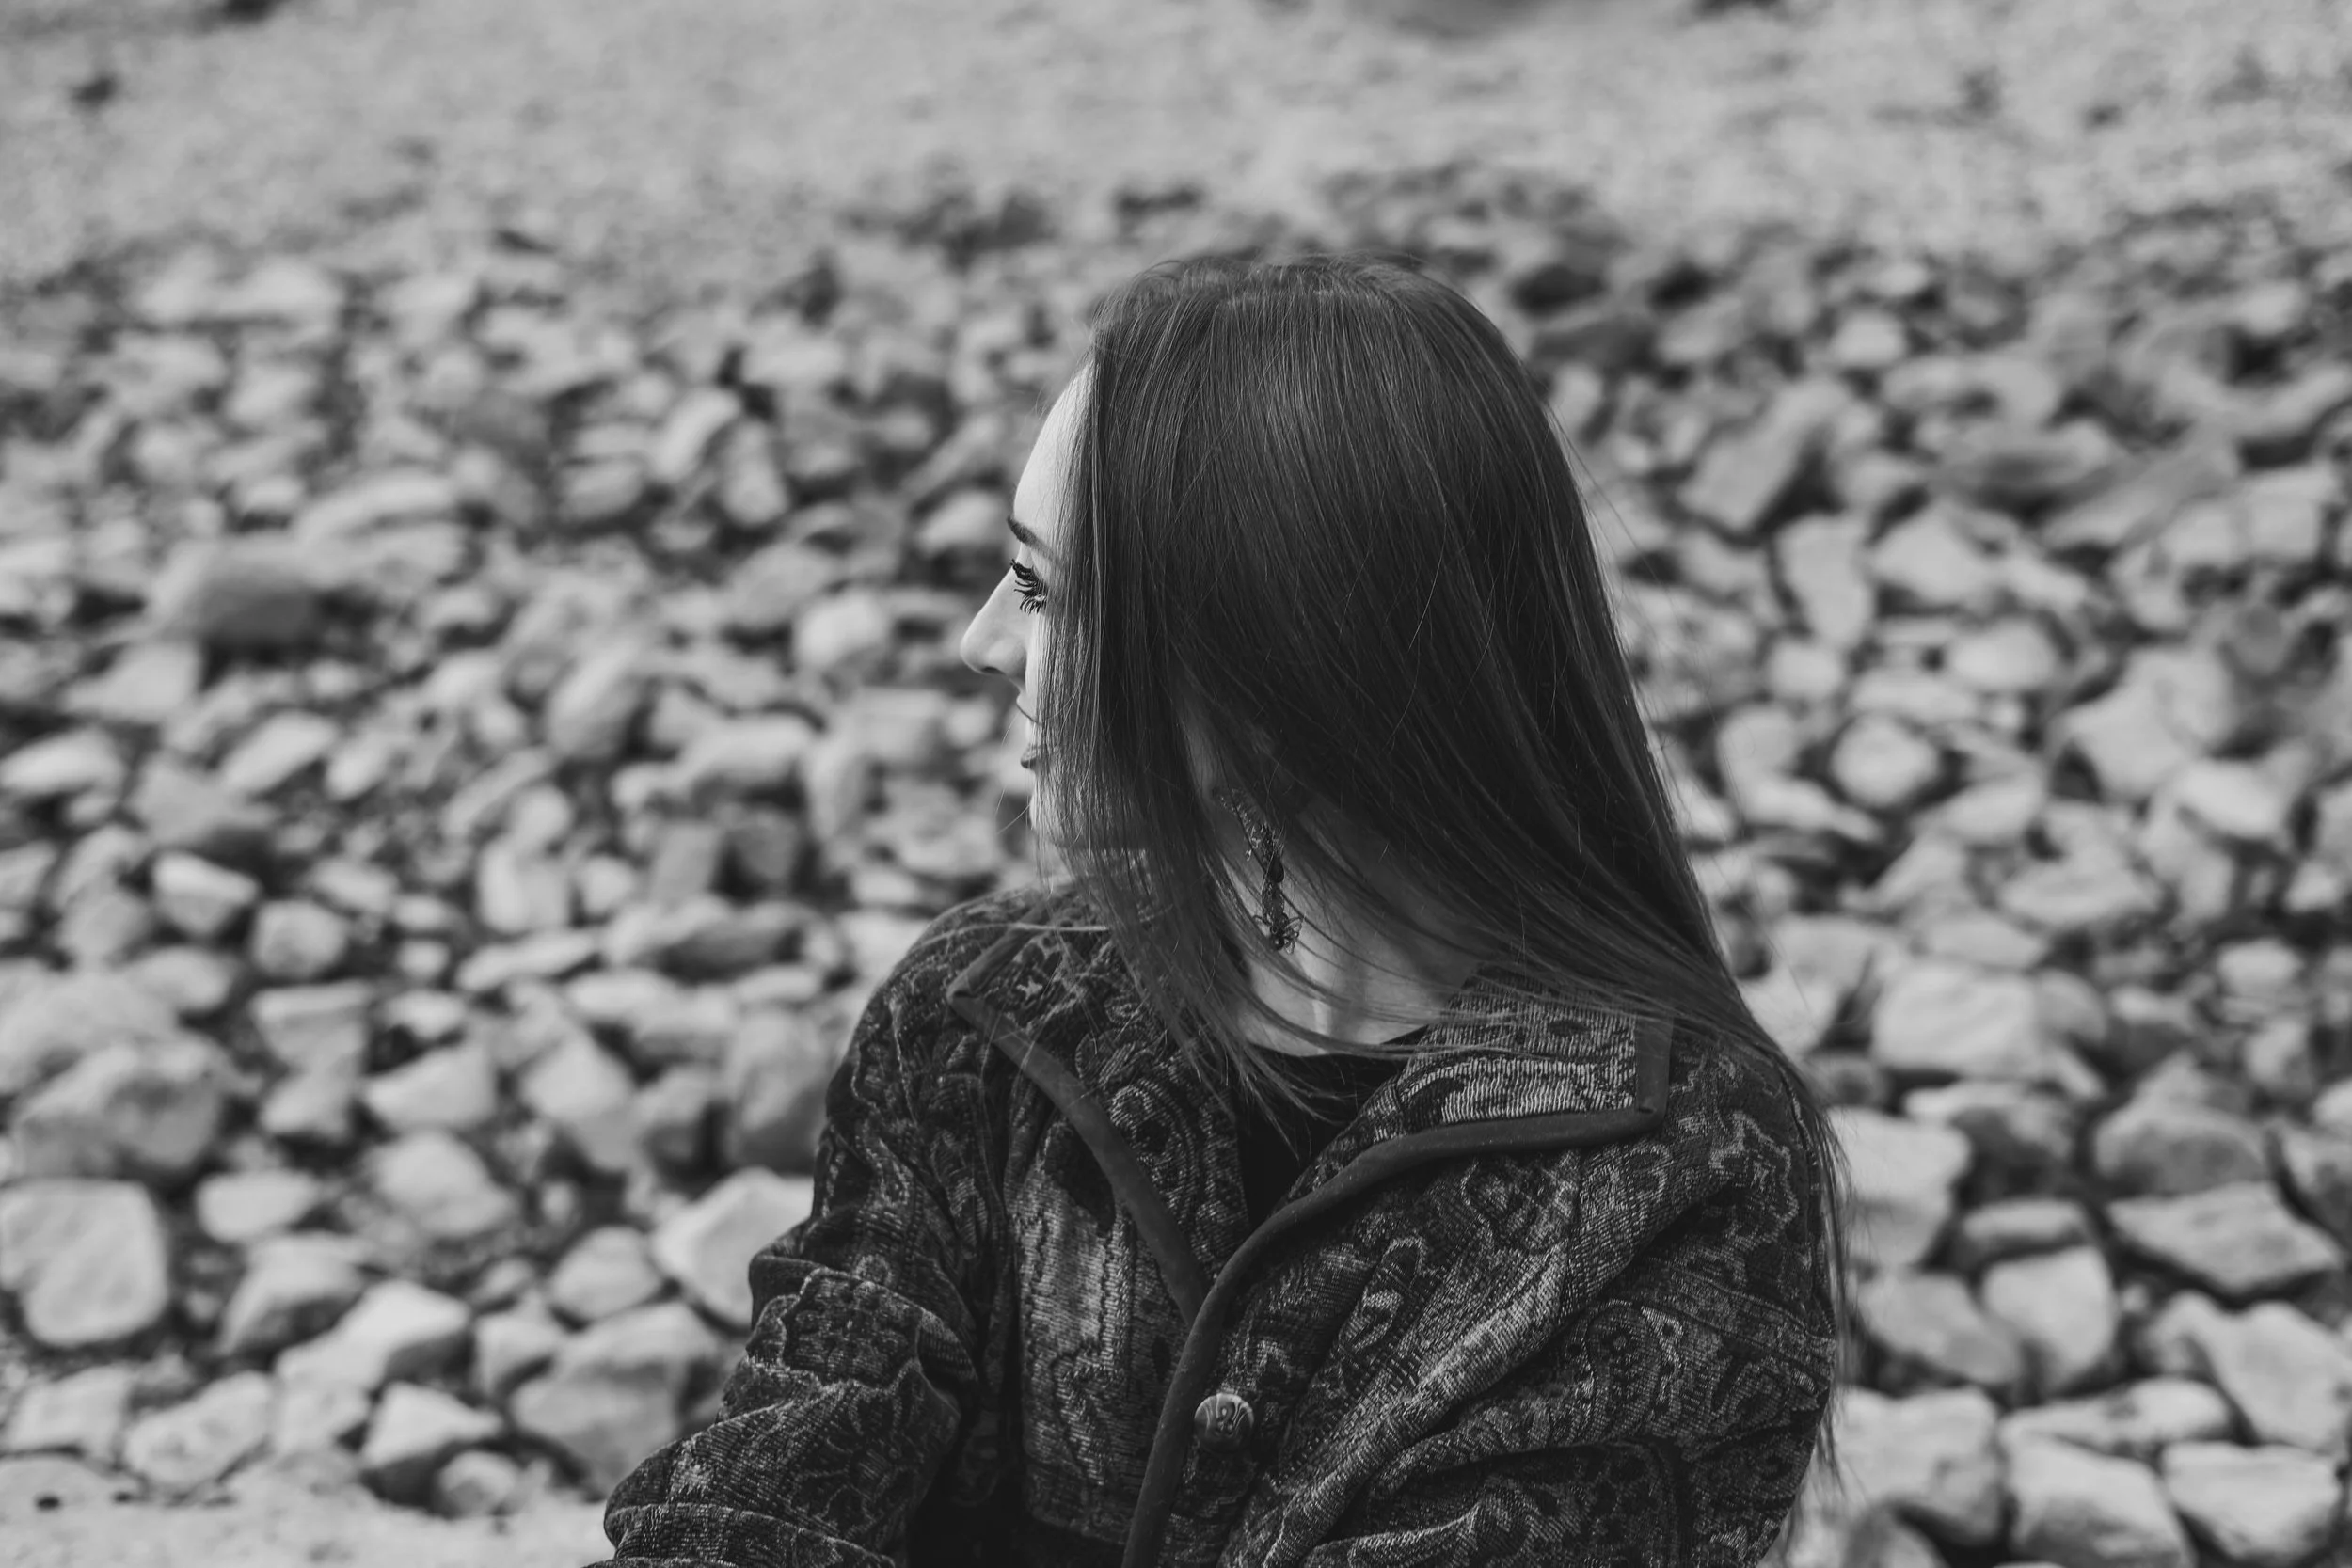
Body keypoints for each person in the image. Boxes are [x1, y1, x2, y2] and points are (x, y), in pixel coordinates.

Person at [595, 252, 1849, 1567]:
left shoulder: (1680, 1166)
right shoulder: (985, 1015)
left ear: (1264, 647)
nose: (979, 642)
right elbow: (780, 1474)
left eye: (1038, 588)